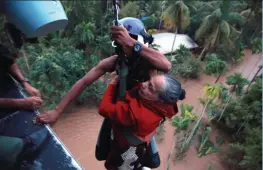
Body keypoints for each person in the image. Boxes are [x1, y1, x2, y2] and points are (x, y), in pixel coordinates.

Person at [36, 17, 171, 169]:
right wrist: (57, 111)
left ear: (138, 41)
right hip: (116, 115)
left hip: (139, 122)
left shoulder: (149, 63)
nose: (124, 47)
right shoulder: (115, 62)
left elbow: (166, 65)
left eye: (128, 41)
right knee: (102, 154)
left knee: (152, 161)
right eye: (121, 43)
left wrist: (132, 44)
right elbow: (84, 82)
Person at [98, 74, 185, 170]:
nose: (143, 84)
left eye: (150, 87)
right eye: (148, 81)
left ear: (160, 101)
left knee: (116, 166)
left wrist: (112, 84)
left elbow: (103, 108)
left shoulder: (137, 115)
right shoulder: (166, 106)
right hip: (139, 149)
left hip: (123, 150)